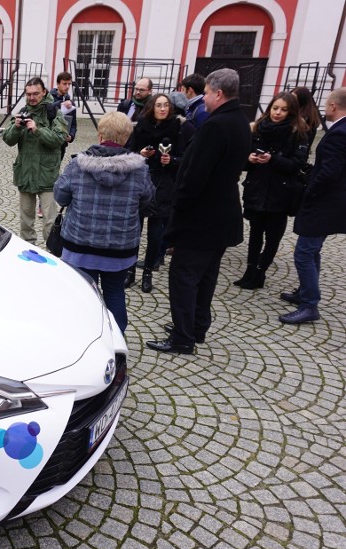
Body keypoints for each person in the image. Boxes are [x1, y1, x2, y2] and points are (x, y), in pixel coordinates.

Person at [146, 68, 252, 354]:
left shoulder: (216, 126)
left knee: (184, 276)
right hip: (222, 215)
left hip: (201, 219)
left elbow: (195, 176)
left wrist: (177, 212)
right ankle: (196, 326)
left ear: (218, 93)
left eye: (206, 92)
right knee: (206, 275)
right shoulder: (240, 119)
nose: (203, 98)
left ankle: (183, 337)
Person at [53, 112, 154, 333]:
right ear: (127, 138)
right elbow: (147, 202)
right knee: (115, 291)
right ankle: (116, 339)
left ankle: (82, 335)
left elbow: (60, 197)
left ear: (100, 136)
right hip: (119, 247)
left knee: (83, 294)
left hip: (80, 244)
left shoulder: (77, 165)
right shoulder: (140, 170)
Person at [279, 87, 346, 324]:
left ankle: (309, 304)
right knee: (312, 250)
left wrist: (310, 191)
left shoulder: (339, 133)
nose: (325, 107)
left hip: (324, 204)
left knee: (304, 253)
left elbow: (329, 173)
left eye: (327, 103)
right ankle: (305, 294)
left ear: (334, 106)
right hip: (332, 203)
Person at [235, 92, 309, 290]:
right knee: (255, 233)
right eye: (275, 108)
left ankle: (260, 271)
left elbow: (297, 163)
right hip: (257, 188)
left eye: (284, 110)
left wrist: (273, 159)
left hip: (281, 192)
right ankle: (250, 270)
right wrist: (249, 159)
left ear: (291, 112)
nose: (278, 113)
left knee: (273, 236)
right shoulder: (258, 128)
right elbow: (243, 158)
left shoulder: (297, 132)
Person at [126, 93, 186, 293]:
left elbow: (185, 158)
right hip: (141, 182)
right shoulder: (140, 127)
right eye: (159, 105)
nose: (162, 109)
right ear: (152, 108)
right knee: (135, 231)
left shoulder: (178, 129)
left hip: (164, 185)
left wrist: (173, 161)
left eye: (166, 105)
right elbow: (127, 154)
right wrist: (140, 155)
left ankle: (148, 271)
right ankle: (130, 270)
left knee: (155, 235)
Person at [2, 77, 69, 245]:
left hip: (47, 175)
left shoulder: (54, 112)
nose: (32, 97)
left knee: (49, 221)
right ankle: (28, 250)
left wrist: (38, 130)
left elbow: (59, 139)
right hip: (25, 173)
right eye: (28, 94)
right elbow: (8, 140)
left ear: (44, 92)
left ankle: (53, 251)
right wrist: (16, 127)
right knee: (26, 220)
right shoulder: (23, 111)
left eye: (36, 94)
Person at [50, 71, 77, 160]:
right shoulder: (49, 97)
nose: (67, 86)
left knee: (57, 169)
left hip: (62, 143)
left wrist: (71, 136)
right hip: (49, 140)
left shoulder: (70, 102)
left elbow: (73, 124)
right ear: (58, 84)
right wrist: (61, 103)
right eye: (64, 83)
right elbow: (48, 111)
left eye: (69, 84)